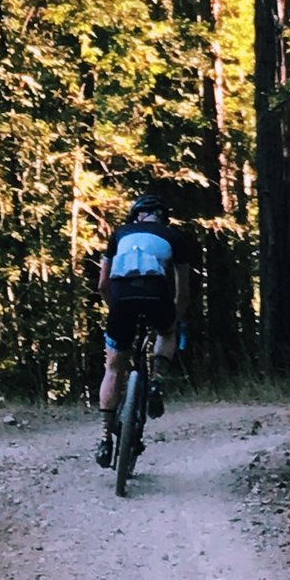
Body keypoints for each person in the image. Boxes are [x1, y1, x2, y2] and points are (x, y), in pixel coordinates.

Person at [95, 196, 187, 467]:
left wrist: (116, 309)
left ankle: (105, 437)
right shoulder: (174, 237)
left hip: (121, 298)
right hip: (156, 295)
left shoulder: (119, 234)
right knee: (167, 332)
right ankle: (157, 381)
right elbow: (183, 292)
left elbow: (102, 284)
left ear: (136, 217)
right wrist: (177, 320)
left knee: (113, 368)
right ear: (162, 218)